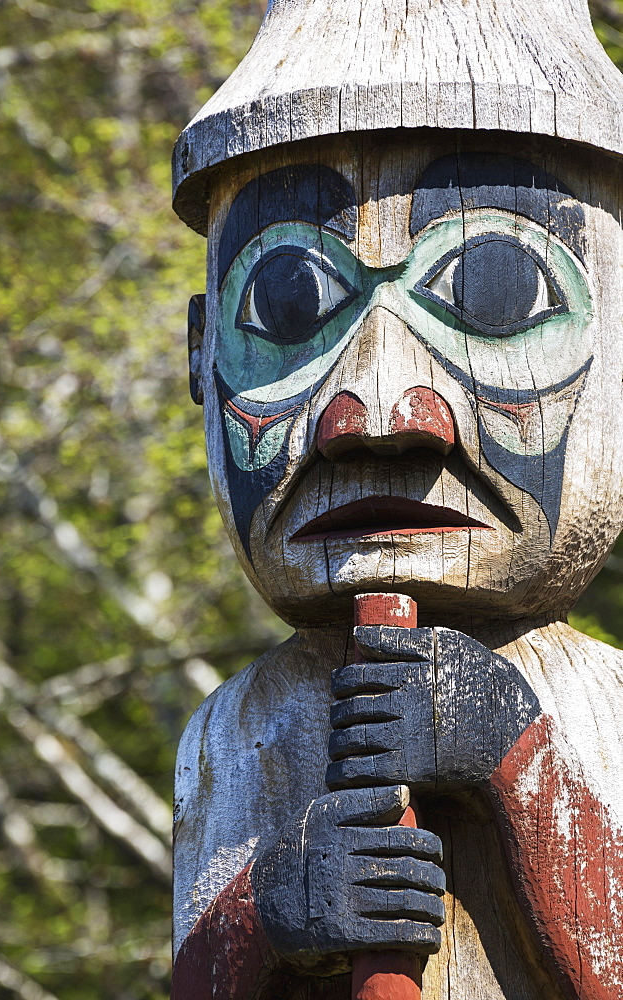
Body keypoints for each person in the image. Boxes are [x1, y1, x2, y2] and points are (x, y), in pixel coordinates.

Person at [170, 2, 623, 997]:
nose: (371, 412)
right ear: (200, 357)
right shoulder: (235, 723)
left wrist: (515, 754)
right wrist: (268, 905)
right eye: (286, 306)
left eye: (495, 294)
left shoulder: (602, 700)